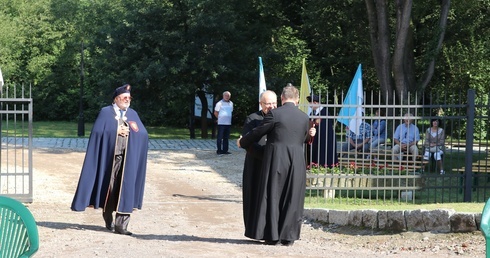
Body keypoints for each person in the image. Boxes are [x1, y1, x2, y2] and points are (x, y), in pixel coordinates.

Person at [237, 85, 315, 246]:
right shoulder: (304, 117)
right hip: (297, 162)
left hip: (277, 161)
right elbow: (303, 137)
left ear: (281, 98)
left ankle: (273, 236)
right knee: (292, 198)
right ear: (298, 99)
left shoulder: (275, 115)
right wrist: (310, 135)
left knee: (273, 196)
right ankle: (289, 236)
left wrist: (241, 142)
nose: (271, 106)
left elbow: (257, 133)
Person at [71, 84, 149, 236]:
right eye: (124, 97)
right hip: (109, 159)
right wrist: (115, 131)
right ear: (116, 98)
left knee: (126, 189)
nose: (127, 100)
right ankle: (108, 217)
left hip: (128, 159)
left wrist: (131, 134)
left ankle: (122, 226)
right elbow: (97, 132)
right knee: (110, 188)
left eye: (129, 98)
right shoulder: (106, 112)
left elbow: (143, 134)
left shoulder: (132, 113)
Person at [240, 90, 277, 239]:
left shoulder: (279, 117)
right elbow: (247, 142)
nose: (271, 106)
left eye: (274, 103)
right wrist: (265, 155)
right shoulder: (252, 119)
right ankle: (255, 231)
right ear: (261, 104)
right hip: (256, 163)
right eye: (268, 103)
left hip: (274, 164)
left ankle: (271, 231)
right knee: (254, 197)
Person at [306, 94, 338, 167]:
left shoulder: (324, 113)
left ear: (315, 103)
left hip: (325, 138)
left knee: (324, 153)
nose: (309, 105)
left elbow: (325, 128)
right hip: (316, 138)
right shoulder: (312, 113)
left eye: (310, 103)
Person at [214, 91, 233, 155]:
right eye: (226, 95)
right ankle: (219, 150)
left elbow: (230, 111)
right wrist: (219, 118)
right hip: (221, 123)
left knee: (226, 137)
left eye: (228, 96)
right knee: (220, 137)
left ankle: (225, 150)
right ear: (223, 96)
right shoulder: (219, 103)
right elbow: (216, 112)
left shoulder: (231, 103)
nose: (227, 97)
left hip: (228, 123)